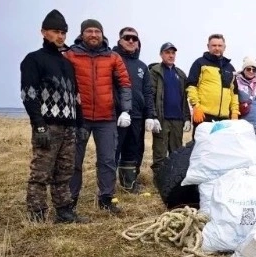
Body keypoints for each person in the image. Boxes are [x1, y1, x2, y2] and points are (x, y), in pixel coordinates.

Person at [19, 9, 89, 224]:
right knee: (41, 173)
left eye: (63, 33)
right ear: (43, 32)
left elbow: (75, 97)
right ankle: (37, 214)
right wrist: (39, 126)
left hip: (68, 127)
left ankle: (64, 212)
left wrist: (79, 125)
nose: (60, 36)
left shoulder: (67, 64)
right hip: (48, 126)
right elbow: (29, 96)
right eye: (55, 32)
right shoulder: (33, 60)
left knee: (64, 172)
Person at [65, 18, 132, 213]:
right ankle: (70, 201)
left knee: (107, 160)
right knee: (74, 161)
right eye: (89, 31)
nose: (93, 35)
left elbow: (124, 84)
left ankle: (106, 199)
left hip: (107, 118)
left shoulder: (112, 57)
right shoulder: (70, 55)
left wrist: (126, 110)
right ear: (82, 34)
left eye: (97, 31)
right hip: (79, 119)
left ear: (102, 34)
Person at [112, 26, 156, 194]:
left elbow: (148, 92)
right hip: (117, 116)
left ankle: (129, 184)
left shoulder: (142, 66)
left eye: (134, 38)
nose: (131, 41)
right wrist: (120, 109)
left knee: (134, 150)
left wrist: (150, 116)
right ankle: (108, 188)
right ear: (120, 40)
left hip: (137, 116)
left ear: (138, 43)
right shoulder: (112, 59)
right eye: (127, 38)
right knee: (113, 151)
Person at [149, 42, 190, 173]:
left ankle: (173, 182)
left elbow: (184, 98)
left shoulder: (181, 74)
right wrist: (153, 116)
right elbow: (150, 94)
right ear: (161, 54)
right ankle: (158, 180)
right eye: (167, 52)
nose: (171, 55)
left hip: (177, 119)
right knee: (160, 152)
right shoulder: (155, 71)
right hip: (162, 119)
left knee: (176, 153)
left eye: (173, 53)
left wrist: (187, 118)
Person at [186, 33, 238, 132]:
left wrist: (235, 112)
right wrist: (196, 107)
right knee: (203, 147)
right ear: (208, 47)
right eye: (214, 45)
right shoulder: (199, 63)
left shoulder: (230, 68)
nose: (217, 48)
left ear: (224, 47)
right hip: (204, 116)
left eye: (220, 46)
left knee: (222, 147)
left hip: (224, 119)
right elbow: (191, 86)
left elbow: (234, 92)